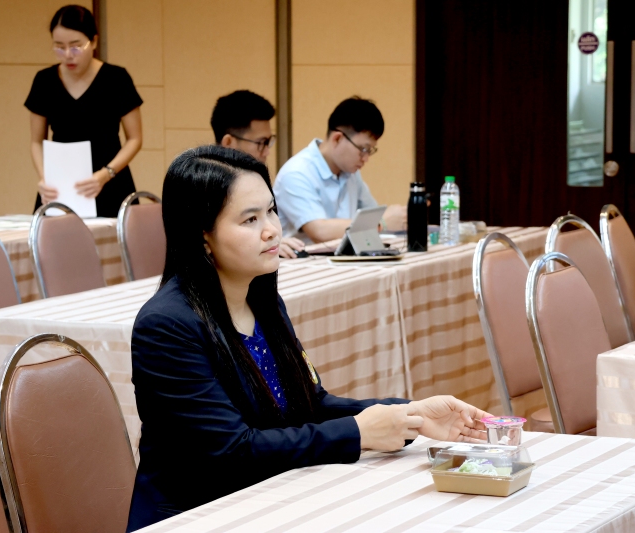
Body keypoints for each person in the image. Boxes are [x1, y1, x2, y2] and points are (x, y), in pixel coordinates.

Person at [126, 145, 489, 530]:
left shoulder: (262, 301)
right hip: (197, 516)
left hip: (267, 499)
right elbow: (231, 451)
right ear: (202, 235)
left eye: (271, 211)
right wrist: (359, 432)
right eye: (250, 219)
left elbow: (311, 405)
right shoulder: (167, 325)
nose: (272, 229)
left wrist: (411, 414)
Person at [25, 5, 143, 217]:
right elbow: (36, 141)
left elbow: (135, 139)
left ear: (94, 42)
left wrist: (106, 174)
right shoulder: (44, 81)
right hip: (61, 186)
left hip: (111, 182)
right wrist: (44, 178)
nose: (68, 55)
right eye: (59, 47)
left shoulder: (116, 78)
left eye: (76, 47)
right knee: (55, 236)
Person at [273, 96, 407, 244]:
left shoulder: (351, 173)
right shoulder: (296, 173)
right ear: (337, 138)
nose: (366, 158)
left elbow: (372, 213)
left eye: (370, 151)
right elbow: (319, 231)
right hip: (307, 257)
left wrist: (402, 218)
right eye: (363, 149)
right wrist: (381, 223)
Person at [211, 90, 306, 258]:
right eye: (261, 143)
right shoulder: (201, 187)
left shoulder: (255, 182)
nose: (267, 152)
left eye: (269, 142)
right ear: (228, 142)